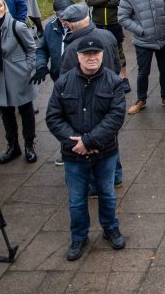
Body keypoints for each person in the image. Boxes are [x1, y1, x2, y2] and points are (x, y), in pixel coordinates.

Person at [46, 38, 127, 261]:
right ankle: (79, 237)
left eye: (96, 53)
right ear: (78, 57)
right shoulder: (63, 83)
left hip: (105, 153)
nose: (92, 58)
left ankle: (111, 228)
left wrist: (89, 142)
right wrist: (77, 144)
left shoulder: (114, 82)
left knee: (108, 194)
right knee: (76, 199)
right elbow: (53, 117)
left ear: (102, 55)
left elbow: (115, 118)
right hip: (74, 155)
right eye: (87, 54)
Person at [0, 0, 38, 164]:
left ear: (5, 6)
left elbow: (32, 48)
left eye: (0, 5)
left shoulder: (16, 26)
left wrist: (28, 68)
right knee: (6, 112)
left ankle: (29, 145)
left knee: (26, 110)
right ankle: (13, 146)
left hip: (19, 74)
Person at [119, 0, 165, 115]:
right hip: (143, 41)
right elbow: (123, 18)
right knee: (143, 72)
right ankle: (141, 100)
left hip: (163, 38)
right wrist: (141, 31)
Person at [84, 0, 125, 75]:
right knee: (98, 51)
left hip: (114, 21)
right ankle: (103, 78)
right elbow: (88, 1)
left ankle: (124, 78)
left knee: (118, 51)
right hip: (97, 23)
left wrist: (97, 0)